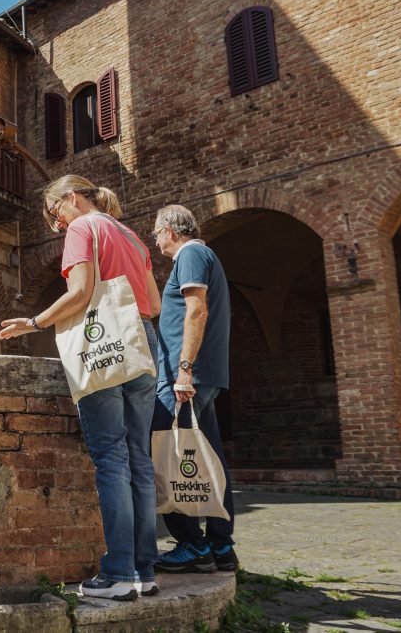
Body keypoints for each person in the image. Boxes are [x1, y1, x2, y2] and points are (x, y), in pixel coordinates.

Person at [0, 175, 162, 602]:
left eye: (55, 213)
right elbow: (156, 304)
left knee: (111, 457)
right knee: (140, 459)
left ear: (70, 199)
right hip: (143, 340)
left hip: (103, 340)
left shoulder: (82, 228)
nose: (56, 224)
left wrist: (33, 323)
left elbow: (82, 292)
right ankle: (145, 570)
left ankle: (119, 572)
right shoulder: (132, 235)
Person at [150, 204, 237, 574]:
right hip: (200, 377)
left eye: (156, 234)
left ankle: (192, 544)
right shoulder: (204, 256)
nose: (155, 242)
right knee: (210, 459)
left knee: (166, 455)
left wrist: (183, 370)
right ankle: (220, 545)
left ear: (170, 229)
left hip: (185, 379)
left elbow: (196, 310)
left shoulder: (191, 254)